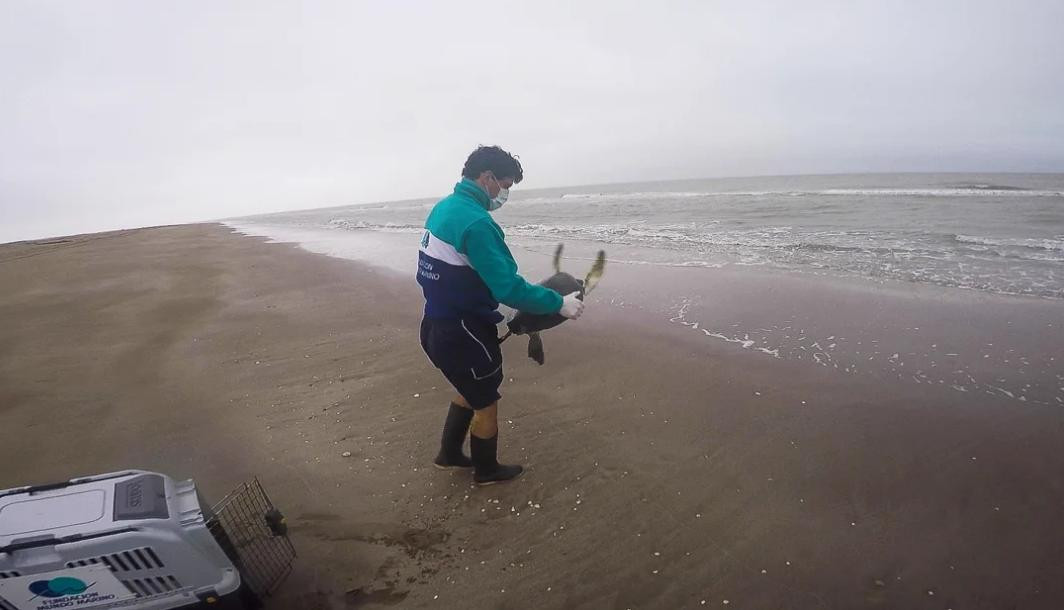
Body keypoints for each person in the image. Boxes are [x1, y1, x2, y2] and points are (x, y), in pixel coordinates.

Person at [417, 145, 584, 485]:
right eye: (505, 185)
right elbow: (508, 287)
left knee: (469, 385)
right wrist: (559, 303)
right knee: (486, 401)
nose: (504, 193)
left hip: (434, 324)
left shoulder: (445, 208)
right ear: (487, 177)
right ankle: (486, 470)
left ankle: (448, 454)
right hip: (464, 331)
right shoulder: (477, 223)